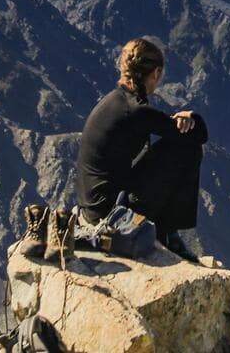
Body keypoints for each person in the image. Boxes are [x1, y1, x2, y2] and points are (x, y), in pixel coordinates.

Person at [76, 37, 207, 262]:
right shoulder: (136, 111)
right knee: (188, 150)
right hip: (110, 212)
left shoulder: (115, 101)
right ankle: (167, 232)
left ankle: (165, 230)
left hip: (93, 205)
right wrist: (191, 116)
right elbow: (198, 136)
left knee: (171, 145)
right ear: (156, 73)